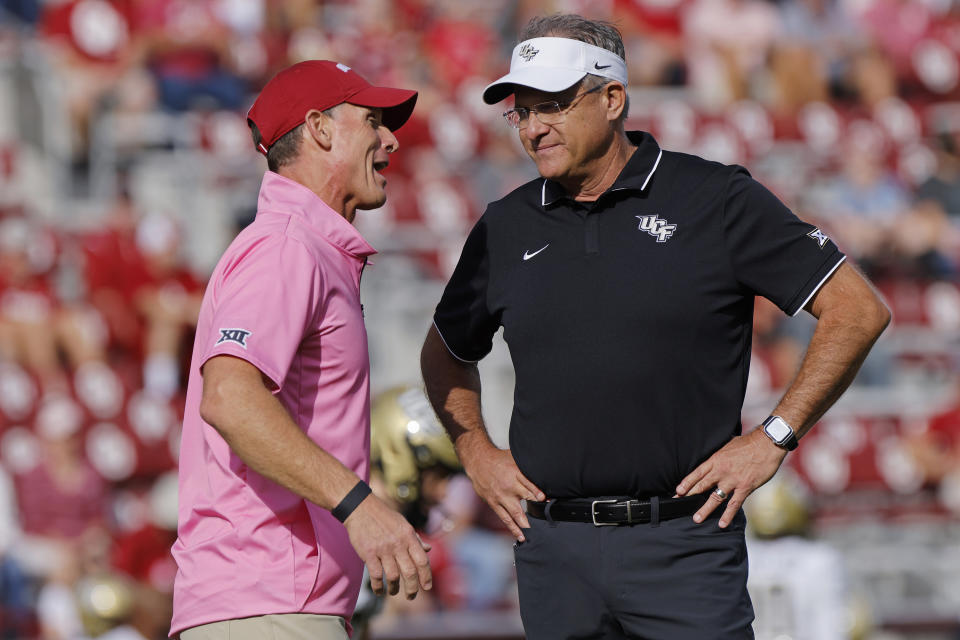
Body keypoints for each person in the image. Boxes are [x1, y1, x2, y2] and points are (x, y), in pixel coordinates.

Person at [419, 14, 891, 639]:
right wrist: (475, 451)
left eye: (552, 105)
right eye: (521, 112)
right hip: (554, 554)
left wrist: (773, 436)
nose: (533, 128)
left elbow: (858, 309)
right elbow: (445, 352)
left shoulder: (714, 198)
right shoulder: (506, 226)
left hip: (685, 545)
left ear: (612, 98)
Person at [171, 60, 432, 640]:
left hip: (273, 601)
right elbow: (231, 400)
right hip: (266, 601)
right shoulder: (286, 247)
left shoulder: (304, 247)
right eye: (372, 121)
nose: (390, 138)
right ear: (320, 128)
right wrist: (359, 505)